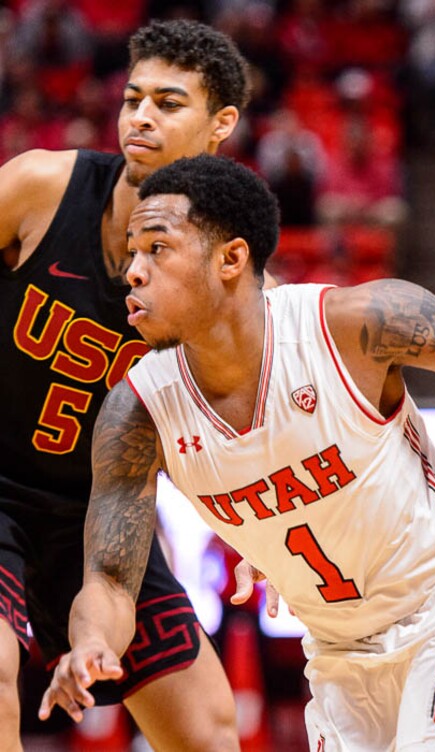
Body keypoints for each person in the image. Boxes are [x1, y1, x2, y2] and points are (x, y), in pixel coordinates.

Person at [39, 154, 435, 750]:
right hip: (340, 656)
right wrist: (92, 641)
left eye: (156, 249)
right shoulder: (136, 413)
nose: (133, 272)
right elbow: (111, 580)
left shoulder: (357, 325)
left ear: (229, 258)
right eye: (130, 253)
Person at [0, 19, 254, 751]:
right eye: (133, 98)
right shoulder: (42, 186)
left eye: (169, 104)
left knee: (209, 730)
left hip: (106, 513)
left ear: (220, 125)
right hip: (2, 486)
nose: (140, 116)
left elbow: (249, 419)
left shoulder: (225, 278)